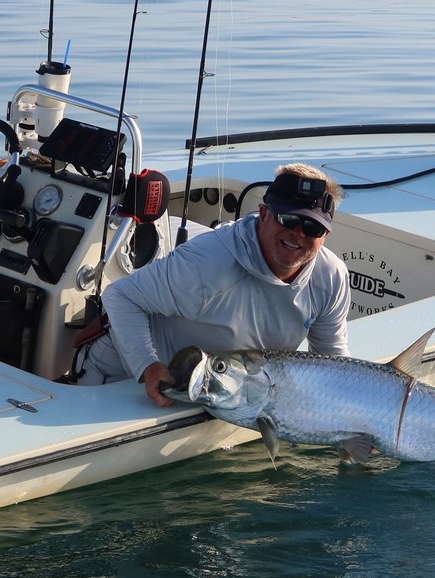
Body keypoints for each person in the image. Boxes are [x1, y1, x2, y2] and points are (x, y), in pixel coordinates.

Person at [77, 163, 351, 405]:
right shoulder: (207, 264)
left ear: (325, 235)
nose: (298, 234)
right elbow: (121, 296)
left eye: (312, 228)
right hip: (126, 373)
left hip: (219, 393)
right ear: (264, 214)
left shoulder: (330, 277)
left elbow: (332, 362)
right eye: (288, 219)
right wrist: (147, 366)